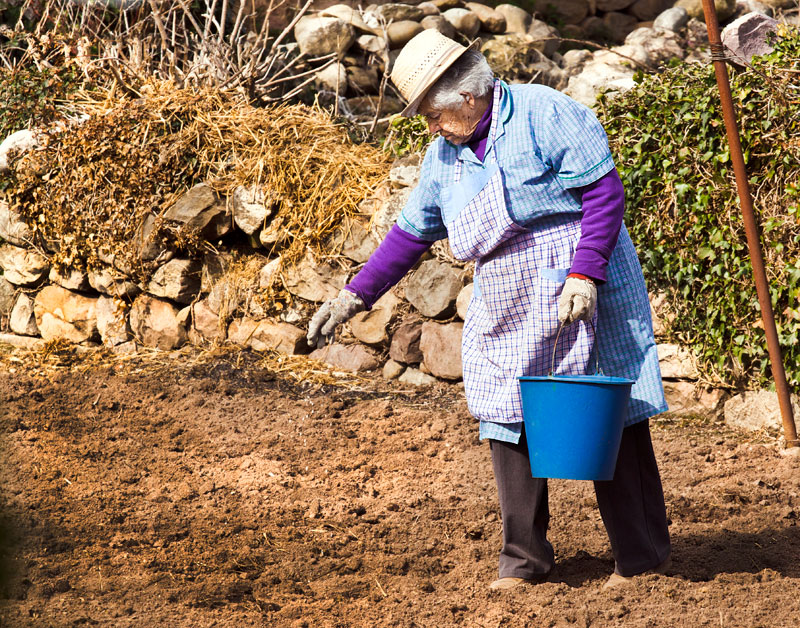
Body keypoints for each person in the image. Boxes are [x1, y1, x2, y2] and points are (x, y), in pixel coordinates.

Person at [307, 30, 671, 591]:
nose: (431, 127)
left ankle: (641, 559)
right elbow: (411, 233)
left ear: (467, 95)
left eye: (433, 114)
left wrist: (584, 274)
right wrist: (354, 295)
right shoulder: (444, 157)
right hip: (508, 295)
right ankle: (525, 562)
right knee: (505, 411)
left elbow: (604, 195)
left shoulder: (545, 113)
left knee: (610, 411)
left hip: (582, 280)